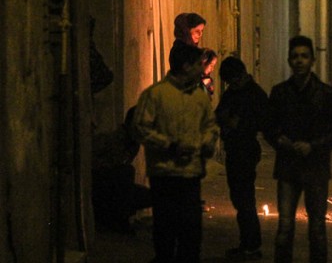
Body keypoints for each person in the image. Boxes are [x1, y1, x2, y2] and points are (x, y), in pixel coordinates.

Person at [132, 43, 219, 263]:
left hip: (191, 174)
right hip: (165, 175)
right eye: (198, 65)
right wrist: (170, 146)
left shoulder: (199, 97)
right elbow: (141, 128)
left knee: (191, 234)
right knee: (165, 232)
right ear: (185, 66)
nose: (203, 69)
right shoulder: (156, 95)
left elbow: (210, 126)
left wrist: (207, 143)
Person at [265, 35, 332, 263]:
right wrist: (281, 141)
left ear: (312, 60)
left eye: (304, 56)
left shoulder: (325, 93)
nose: (299, 61)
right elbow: (269, 127)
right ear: (289, 61)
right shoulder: (280, 93)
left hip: (316, 168)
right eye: (295, 57)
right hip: (288, 168)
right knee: (285, 226)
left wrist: (313, 146)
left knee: (317, 227)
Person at [215, 56, 269, 261]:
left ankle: (251, 244)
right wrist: (228, 120)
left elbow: (261, 121)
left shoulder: (253, 94)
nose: (231, 84)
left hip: (245, 149)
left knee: (244, 198)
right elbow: (220, 113)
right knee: (239, 198)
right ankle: (247, 243)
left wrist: (237, 122)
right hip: (235, 148)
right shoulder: (235, 92)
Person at [91, 106, 151, 234]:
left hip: (114, 188)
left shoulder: (133, 144)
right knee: (127, 172)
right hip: (98, 186)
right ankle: (118, 220)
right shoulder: (113, 139)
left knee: (153, 195)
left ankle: (121, 215)